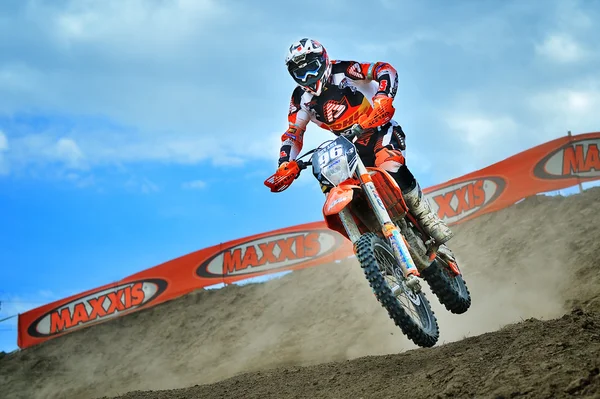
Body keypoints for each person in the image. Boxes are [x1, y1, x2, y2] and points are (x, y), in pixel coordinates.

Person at [272, 37, 453, 245]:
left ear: (323, 61)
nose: (308, 77)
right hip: (349, 148)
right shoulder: (300, 98)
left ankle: (427, 217)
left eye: (312, 68)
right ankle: (377, 246)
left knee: (390, 164)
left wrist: (383, 98)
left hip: (379, 130)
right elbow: (294, 132)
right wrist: (285, 163)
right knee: (334, 184)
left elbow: (385, 70)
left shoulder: (344, 70)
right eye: (300, 73)